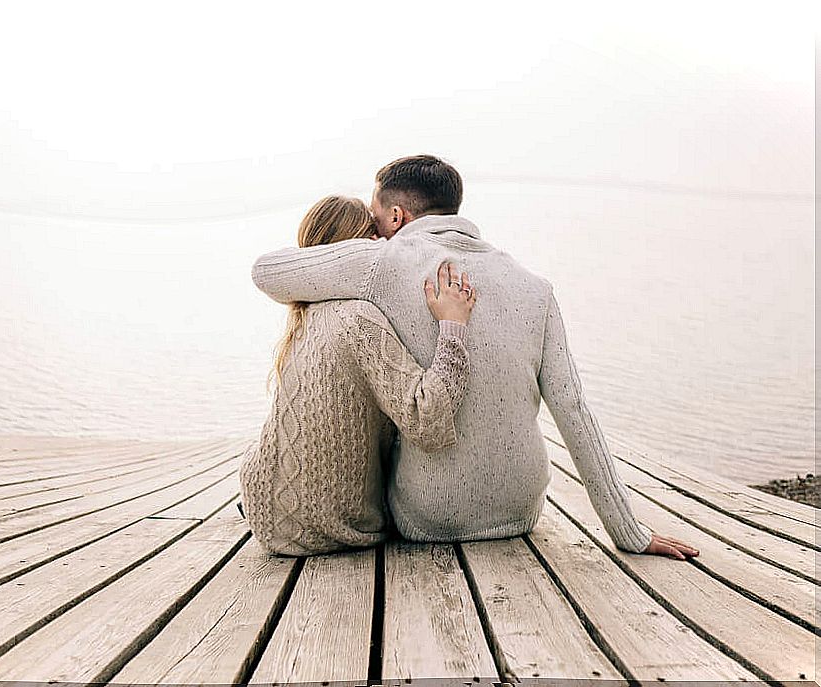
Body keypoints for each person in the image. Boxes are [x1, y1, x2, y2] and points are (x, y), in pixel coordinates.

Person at [251, 155, 700, 560]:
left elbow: (267, 272)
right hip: (521, 510)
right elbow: (574, 411)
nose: (373, 230)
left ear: (395, 215)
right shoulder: (535, 287)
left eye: (375, 217)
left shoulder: (381, 260)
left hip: (425, 520)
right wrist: (630, 532)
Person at [239, 194, 477, 557]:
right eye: (371, 236)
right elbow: (428, 420)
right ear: (352, 250)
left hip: (267, 517)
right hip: (336, 530)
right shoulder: (360, 319)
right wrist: (453, 327)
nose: (382, 245)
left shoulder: (303, 318)